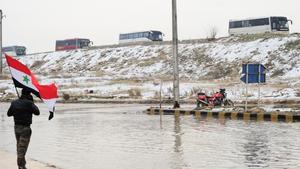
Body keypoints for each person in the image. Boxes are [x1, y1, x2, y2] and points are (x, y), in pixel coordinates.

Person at [7, 88, 40, 169]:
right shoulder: (29, 103)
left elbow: (9, 114)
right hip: (25, 128)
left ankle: (22, 165)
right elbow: (37, 112)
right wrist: (31, 103)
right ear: (29, 94)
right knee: (22, 148)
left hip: (16, 128)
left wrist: (18, 106)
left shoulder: (14, 102)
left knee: (19, 146)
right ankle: (21, 166)